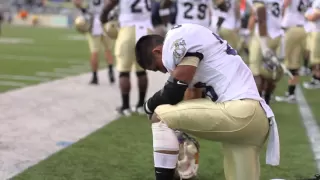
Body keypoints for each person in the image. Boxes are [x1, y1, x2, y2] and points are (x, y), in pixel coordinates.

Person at [135, 23, 280, 180]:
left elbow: (173, 92)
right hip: (257, 120)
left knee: (160, 115)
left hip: (241, 112)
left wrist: (148, 106)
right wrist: (183, 135)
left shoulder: (175, 39)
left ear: (157, 51)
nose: (163, 71)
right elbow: (190, 102)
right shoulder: (199, 47)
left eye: (157, 67)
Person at [100, 0, 151, 116]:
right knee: (141, 71)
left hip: (128, 28)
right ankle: (140, 105)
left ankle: (125, 106)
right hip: (146, 29)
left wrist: (103, 17)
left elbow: (111, 3)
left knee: (124, 72)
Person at [73, 0, 115, 85]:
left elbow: (77, 3)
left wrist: (82, 8)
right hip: (106, 20)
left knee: (94, 51)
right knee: (108, 50)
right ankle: (111, 73)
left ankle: (95, 77)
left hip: (93, 22)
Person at [275, 0, 308, 103]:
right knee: (295, 64)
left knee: (287, 63)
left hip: (291, 29)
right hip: (302, 28)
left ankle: (289, 93)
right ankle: (291, 93)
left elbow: (285, 4)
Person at [303, 0, 320, 89]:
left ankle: (317, 79)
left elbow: (315, 17)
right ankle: (315, 78)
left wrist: (306, 15)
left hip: (317, 31)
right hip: (314, 30)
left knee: (316, 59)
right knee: (314, 58)